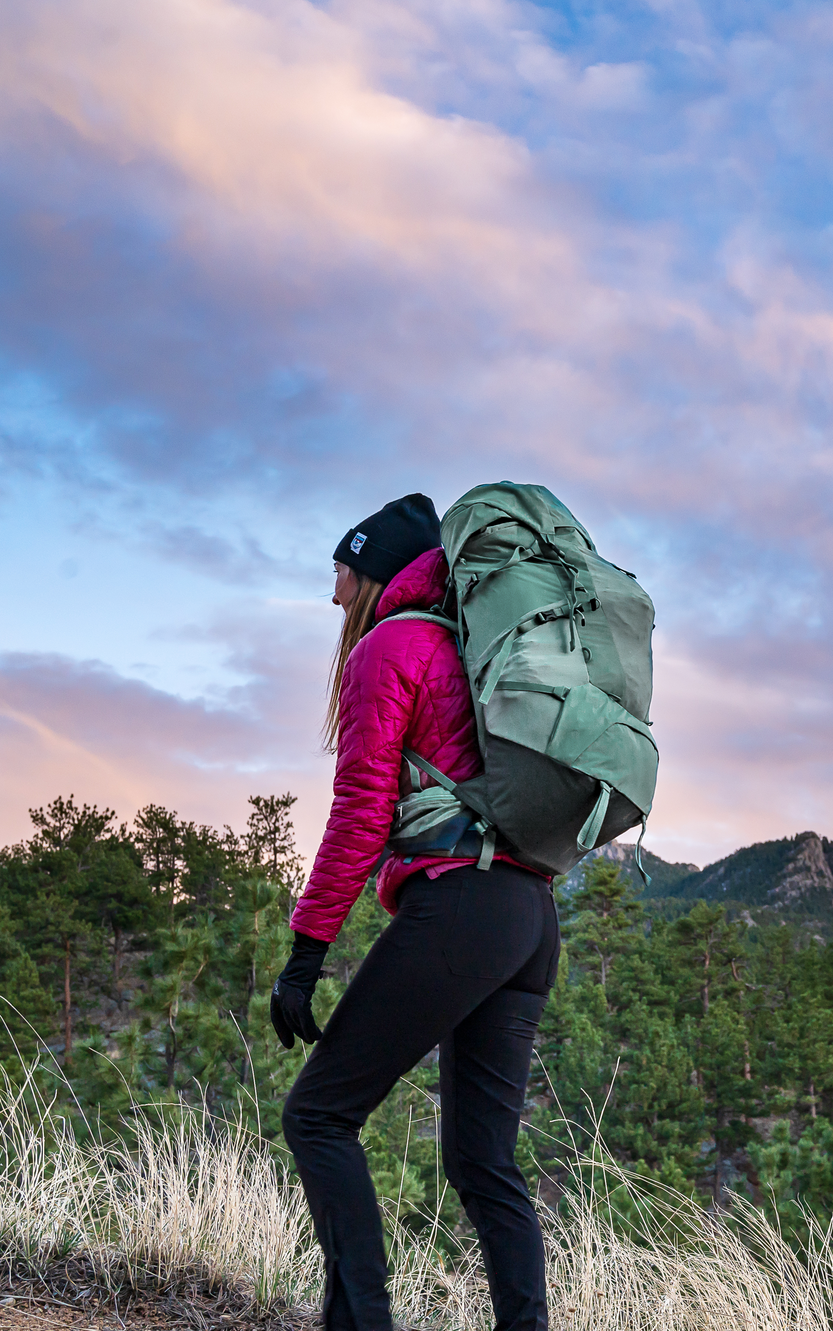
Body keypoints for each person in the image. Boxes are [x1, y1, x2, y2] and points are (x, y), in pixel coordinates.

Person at [273, 493, 559, 1331]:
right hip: (530, 914)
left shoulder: (391, 646)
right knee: (483, 1162)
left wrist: (306, 951)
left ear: (372, 574)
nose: (332, 592)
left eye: (340, 570)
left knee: (318, 1116)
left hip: (465, 905)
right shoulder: (471, 647)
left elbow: (363, 809)